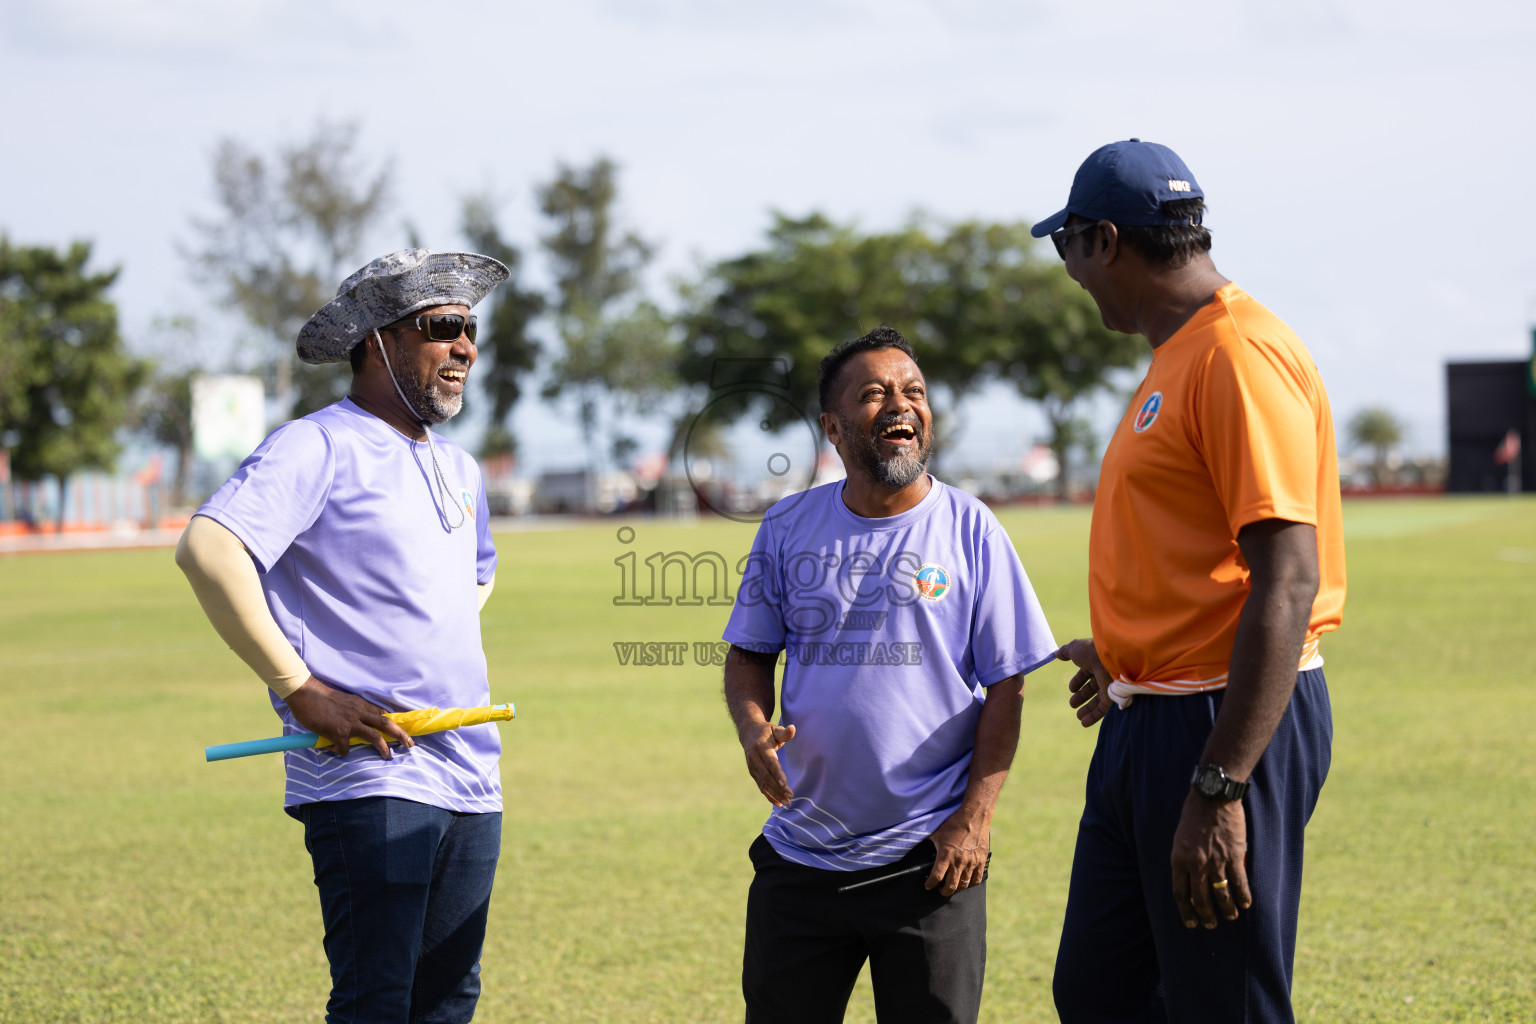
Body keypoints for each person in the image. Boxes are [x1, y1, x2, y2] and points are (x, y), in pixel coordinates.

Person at [1034, 141, 1346, 1023]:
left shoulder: (1237, 355)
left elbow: (1287, 578)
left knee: (1222, 1001)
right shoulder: (1177, 354)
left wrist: (1219, 787)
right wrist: (1130, 654)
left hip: (1219, 724)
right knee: (1102, 991)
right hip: (1149, 715)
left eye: (1068, 250)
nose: (1072, 274)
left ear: (1105, 241)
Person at [175, 248, 509, 1024]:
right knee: (375, 1003)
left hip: (469, 765)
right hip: (371, 774)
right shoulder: (316, 444)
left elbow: (478, 577)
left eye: (471, 330)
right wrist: (302, 687)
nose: (465, 346)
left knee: (449, 1000)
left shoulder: (460, 468)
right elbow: (210, 549)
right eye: (444, 326)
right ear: (376, 339)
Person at [721, 326, 1058, 1024]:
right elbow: (750, 655)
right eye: (874, 394)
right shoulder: (787, 527)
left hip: (931, 861)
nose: (900, 404)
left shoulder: (972, 528)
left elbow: (1009, 685)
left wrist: (976, 822)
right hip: (801, 858)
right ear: (833, 427)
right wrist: (753, 729)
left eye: (913, 392)